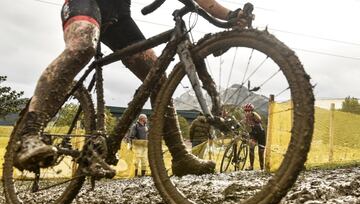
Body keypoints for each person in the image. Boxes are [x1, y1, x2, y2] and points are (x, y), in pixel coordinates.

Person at [15, 0, 250, 176]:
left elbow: (203, 1)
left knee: (157, 76)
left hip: (119, 17)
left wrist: (231, 15)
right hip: (86, 3)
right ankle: (29, 135)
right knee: (83, 46)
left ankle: (179, 156)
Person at [241, 103, 266, 170]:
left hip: (260, 133)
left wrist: (253, 114)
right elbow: (243, 125)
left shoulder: (254, 114)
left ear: (252, 111)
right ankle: (251, 166)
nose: (247, 112)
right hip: (253, 133)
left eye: (249, 111)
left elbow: (259, 119)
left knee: (261, 151)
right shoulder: (245, 117)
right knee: (251, 148)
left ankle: (262, 168)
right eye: (246, 111)